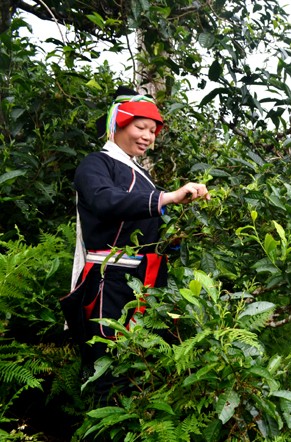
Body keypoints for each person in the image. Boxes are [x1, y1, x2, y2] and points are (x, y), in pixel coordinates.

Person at [60, 86, 209, 401]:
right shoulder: (96, 164)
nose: (148, 136)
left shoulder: (141, 175)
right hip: (109, 284)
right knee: (109, 373)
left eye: (153, 131)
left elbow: (146, 229)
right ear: (117, 124)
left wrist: (175, 239)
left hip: (142, 286)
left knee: (136, 372)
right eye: (141, 127)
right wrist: (166, 198)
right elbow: (104, 201)